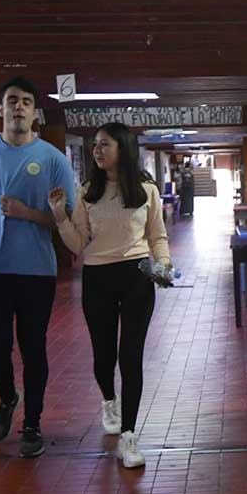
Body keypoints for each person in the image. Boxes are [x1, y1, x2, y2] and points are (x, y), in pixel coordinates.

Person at [0, 77, 77, 458]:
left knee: (33, 347)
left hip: (37, 271)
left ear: (34, 112)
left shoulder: (54, 159)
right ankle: (8, 397)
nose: (18, 107)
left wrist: (27, 213)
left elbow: (64, 220)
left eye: (25, 102)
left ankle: (33, 424)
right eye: (12, 101)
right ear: (0, 109)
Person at [49, 122, 170, 469]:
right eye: (96, 145)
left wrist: (163, 264)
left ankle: (129, 436)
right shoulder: (88, 191)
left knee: (130, 355)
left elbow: (157, 235)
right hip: (98, 278)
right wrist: (59, 216)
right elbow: (77, 244)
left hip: (137, 277)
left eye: (105, 144)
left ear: (124, 148)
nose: (97, 151)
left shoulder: (146, 190)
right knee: (104, 357)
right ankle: (108, 399)